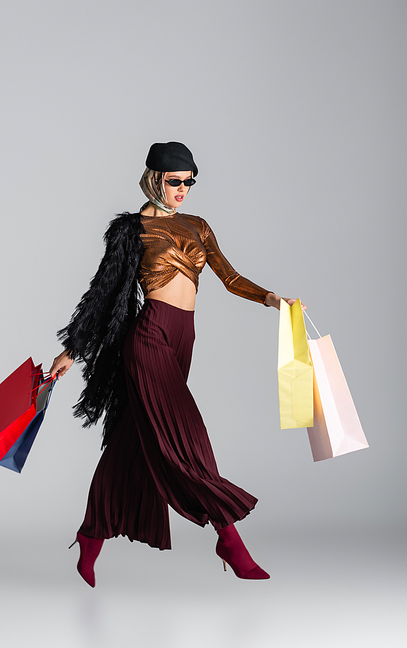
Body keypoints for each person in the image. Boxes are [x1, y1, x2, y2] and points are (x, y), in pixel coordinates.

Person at [50, 141, 301, 587]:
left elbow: (229, 276)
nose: (183, 189)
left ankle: (89, 537)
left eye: (189, 181)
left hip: (184, 340)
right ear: (153, 178)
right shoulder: (132, 230)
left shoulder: (198, 226)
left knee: (132, 444)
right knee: (188, 436)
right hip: (148, 339)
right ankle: (230, 540)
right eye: (175, 181)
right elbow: (106, 296)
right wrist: (74, 349)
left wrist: (270, 299)